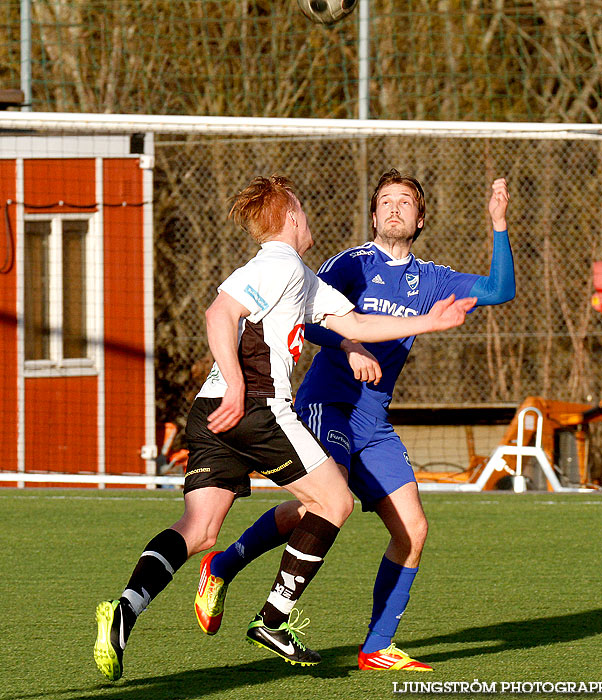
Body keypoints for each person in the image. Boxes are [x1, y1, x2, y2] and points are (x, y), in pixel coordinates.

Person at [93, 174, 477, 680]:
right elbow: (219, 313)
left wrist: (429, 322)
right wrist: (236, 383)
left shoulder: (302, 277)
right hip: (253, 404)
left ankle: (124, 610)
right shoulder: (279, 264)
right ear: (291, 217)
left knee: (200, 530)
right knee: (334, 501)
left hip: (212, 412)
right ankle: (273, 618)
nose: (309, 216)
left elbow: (357, 326)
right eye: (303, 208)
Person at [193, 170, 515, 671]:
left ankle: (376, 647)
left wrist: (498, 224)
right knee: (324, 504)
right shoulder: (351, 264)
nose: (393, 208)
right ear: (372, 215)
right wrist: (353, 344)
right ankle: (234, 575)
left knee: (413, 529)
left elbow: (499, 290)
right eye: (385, 201)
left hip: (374, 420)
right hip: (327, 403)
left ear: (420, 217)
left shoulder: (431, 279)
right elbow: (304, 318)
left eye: (404, 202)